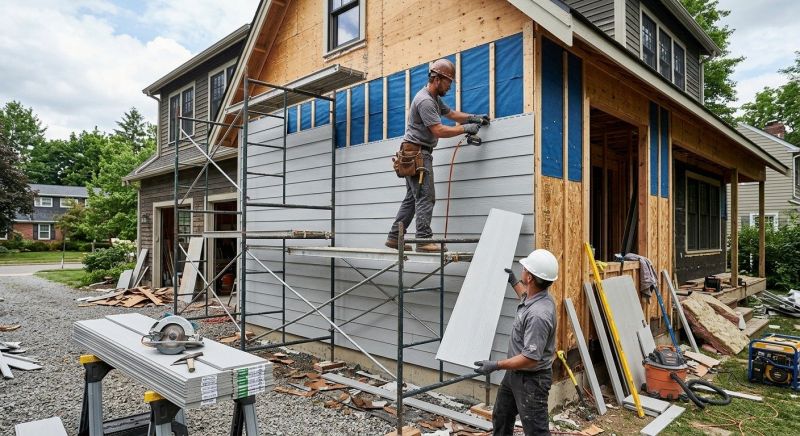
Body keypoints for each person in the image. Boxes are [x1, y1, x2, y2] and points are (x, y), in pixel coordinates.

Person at [385, 58, 490, 252]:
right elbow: (439, 131)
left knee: (412, 198)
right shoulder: (425, 101)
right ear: (437, 79)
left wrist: (472, 117)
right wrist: (465, 128)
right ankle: (424, 239)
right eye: (448, 82)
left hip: (412, 152)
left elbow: (450, 114)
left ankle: (394, 237)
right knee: (426, 197)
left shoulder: (432, 98)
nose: (449, 87)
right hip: (418, 154)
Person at [474, 249, 559, 435]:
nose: (522, 270)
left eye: (524, 270)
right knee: (502, 416)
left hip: (532, 380)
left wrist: (496, 365)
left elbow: (530, 358)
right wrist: (513, 281)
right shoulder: (536, 297)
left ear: (530, 278)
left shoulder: (539, 314)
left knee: (536, 430)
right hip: (515, 375)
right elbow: (524, 296)